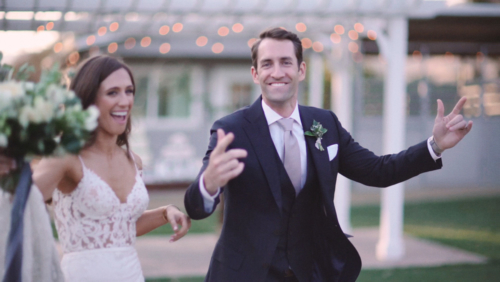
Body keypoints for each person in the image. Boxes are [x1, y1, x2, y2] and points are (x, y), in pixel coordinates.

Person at [184, 28, 472, 282]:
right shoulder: (231, 129)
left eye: (286, 62)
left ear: (301, 70)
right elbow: (196, 208)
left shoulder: (324, 124)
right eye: (267, 64)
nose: (277, 72)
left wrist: (434, 145)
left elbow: (378, 171)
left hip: (309, 272)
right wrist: (208, 185)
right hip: (244, 274)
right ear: (255, 73)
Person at [29, 56, 191, 281]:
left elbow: (119, 227)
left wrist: (165, 213)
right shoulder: (67, 156)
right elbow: (19, 203)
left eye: (129, 91)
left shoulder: (133, 161)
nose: (125, 101)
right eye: (113, 92)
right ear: (88, 99)